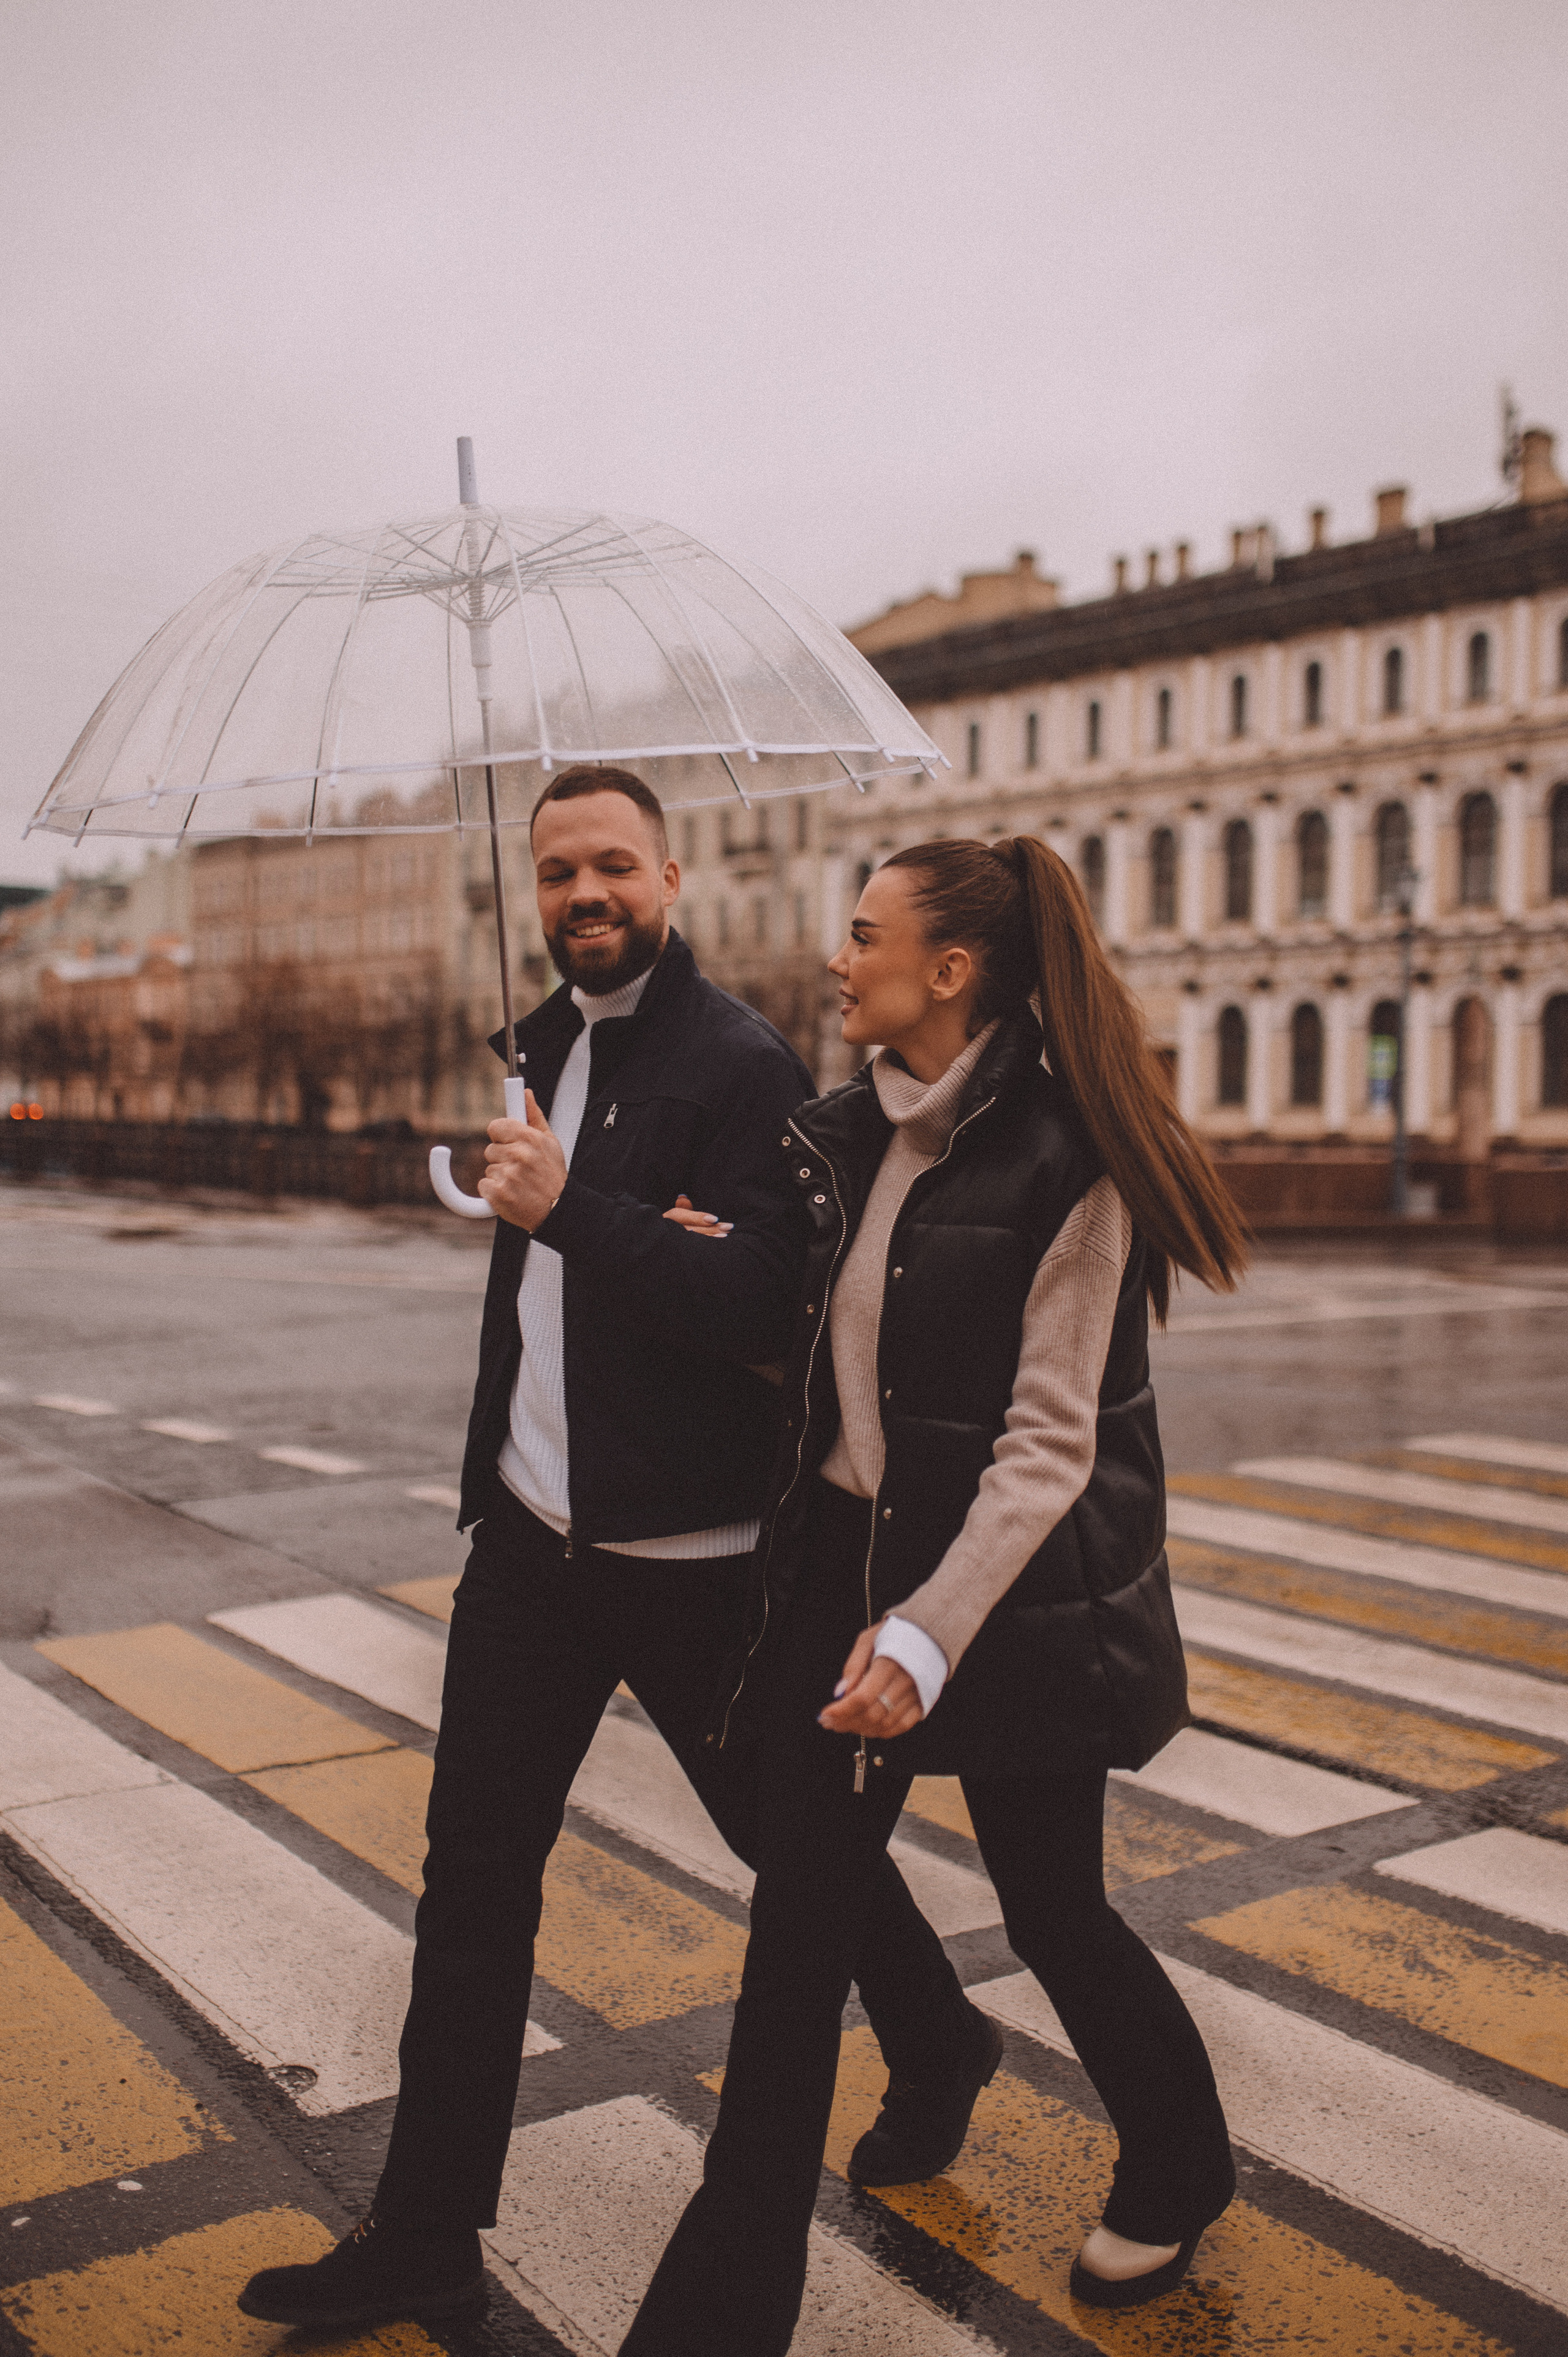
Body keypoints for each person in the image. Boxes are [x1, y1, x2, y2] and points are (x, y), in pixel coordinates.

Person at [238, 772, 993, 2335]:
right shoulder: (538, 1048)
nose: (585, 893)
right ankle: (425, 2225)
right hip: (530, 1544)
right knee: (473, 1883)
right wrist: (554, 1210)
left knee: (789, 1854)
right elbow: (570, 1298)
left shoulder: (742, 1064)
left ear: (668, 871)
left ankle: (936, 2040)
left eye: (611, 867)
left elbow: (759, 1306)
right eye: (558, 870)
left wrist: (576, 1208)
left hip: (699, 1561)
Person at [620, 834, 1251, 2356]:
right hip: (842, 1565)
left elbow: (1045, 1447)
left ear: (947, 969)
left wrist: (924, 1628)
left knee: (1051, 1909)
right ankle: (716, 2319)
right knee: (796, 1938)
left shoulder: (1072, 1154)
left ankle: (1179, 2154)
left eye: (860, 933)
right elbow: (847, 1383)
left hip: (1001, 1591)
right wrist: (699, 1268)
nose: (835, 959)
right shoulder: (844, 1135)